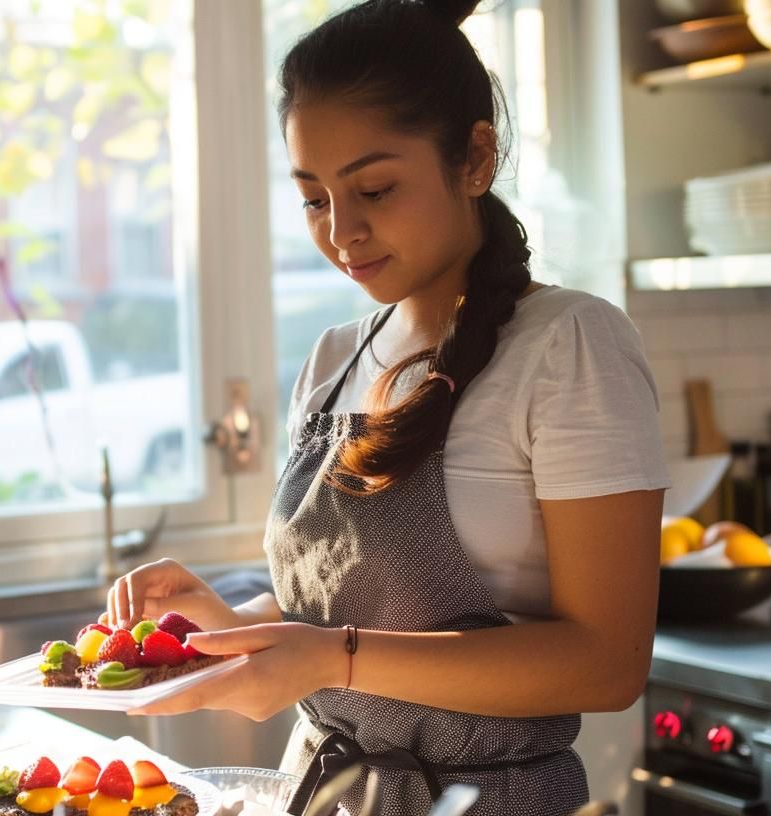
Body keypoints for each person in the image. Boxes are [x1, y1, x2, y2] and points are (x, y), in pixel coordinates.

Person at [102, 1, 670, 813]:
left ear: (475, 157)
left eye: (374, 187)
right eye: (313, 199)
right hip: (327, 793)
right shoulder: (334, 359)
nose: (343, 232)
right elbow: (342, 616)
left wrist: (332, 657)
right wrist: (219, 625)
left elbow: (607, 663)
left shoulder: (571, 346)